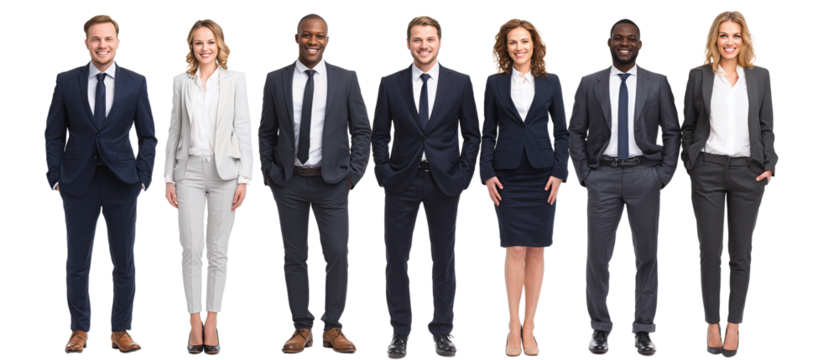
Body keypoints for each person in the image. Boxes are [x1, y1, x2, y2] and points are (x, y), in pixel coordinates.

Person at [257, 13, 371, 356]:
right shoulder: (275, 79)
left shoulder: (346, 79)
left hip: (333, 182)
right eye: (306, 35)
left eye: (319, 36)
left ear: (328, 41)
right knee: (294, 257)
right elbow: (265, 132)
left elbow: (362, 130)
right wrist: (269, 174)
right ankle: (302, 327)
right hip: (289, 183)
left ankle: (333, 326)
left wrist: (353, 175)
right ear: (296, 38)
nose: (312, 41)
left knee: (336, 253)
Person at [45, 14, 158, 355]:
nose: (102, 45)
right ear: (86, 44)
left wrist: (143, 176)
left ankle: (121, 330)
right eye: (96, 39)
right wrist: (54, 177)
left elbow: (149, 134)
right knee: (78, 260)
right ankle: (78, 330)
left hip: (122, 181)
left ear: (118, 43)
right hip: (77, 182)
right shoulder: (65, 81)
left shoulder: (135, 82)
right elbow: (52, 133)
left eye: (108, 39)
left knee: (124, 260)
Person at [569, 18, 680, 357]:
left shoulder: (658, 83)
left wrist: (663, 174)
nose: (625, 43)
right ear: (608, 42)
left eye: (631, 39)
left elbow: (673, 131)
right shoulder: (589, 83)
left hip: (644, 176)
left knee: (647, 255)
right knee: (598, 257)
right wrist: (584, 173)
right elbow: (576, 132)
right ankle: (600, 328)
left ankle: (644, 330)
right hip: (601, 176)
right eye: (619, 38)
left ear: (640, 44)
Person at [372, 15, 480, 360]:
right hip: (400, 181)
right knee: (396, 258)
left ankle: (444, 331)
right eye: (417, 40)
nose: (423, 46)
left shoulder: (461, 82)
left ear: (441, 43)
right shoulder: (389, 83)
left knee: (444, 258)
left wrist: (464, 175)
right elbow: (378, 135)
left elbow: (473, 135)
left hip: (444, 181)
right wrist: (385, 172)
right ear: (407, 44)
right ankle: (400, 331)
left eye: (429, 39)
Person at [681, 10, 776, 358]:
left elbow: (767, 126)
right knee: (708, 251)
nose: (730, 42)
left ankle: (734, 325)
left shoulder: (760, 77)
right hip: (706, 169)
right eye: (724, 35)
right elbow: (687, 125)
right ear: (714, 40)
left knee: (740, 252)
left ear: (744, 40)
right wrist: (690, 161)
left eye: (736, 35)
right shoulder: (698, 76)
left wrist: (770, 164)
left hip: (748, 173)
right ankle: (710, 325)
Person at [161, 18, 254, 356]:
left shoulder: (236, 80)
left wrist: (246, 177)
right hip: (188, 173)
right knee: (190, 248)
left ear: (220, 45)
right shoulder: (179, 82)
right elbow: (173, 130)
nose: (205, 49)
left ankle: (212, 322)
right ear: (192, 47)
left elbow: (244, 129)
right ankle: (193, 322)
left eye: (210, 43)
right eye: (199, 43)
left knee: (218, 250)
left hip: (225, 173)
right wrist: (167, 176)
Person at [479, 18, 567, 358]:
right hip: (507, 175)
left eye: (525, 42)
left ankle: (531, 327)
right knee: (514, 249)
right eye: (513, 43)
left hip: (543, 175)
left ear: (535, 46)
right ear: (506, 47)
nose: (519, 48)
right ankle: (512, 327)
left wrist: (560, 172)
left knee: (537, 249)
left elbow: (562, 132)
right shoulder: (494, 83)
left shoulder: (551, 82)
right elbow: (488, 132)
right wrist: (486, 172)